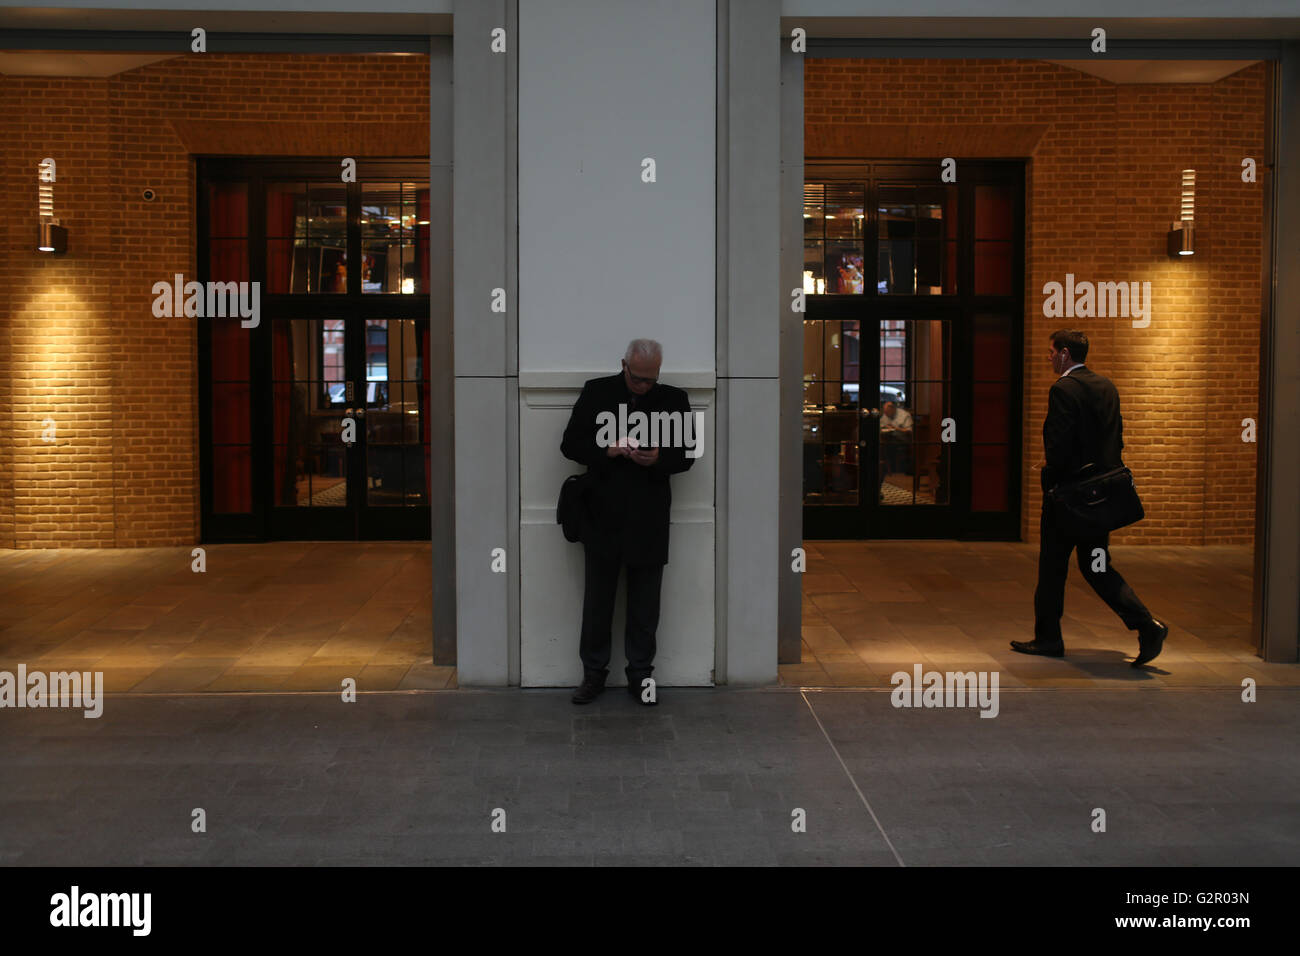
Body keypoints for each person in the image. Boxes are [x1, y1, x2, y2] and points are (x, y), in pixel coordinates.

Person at [1012, 329, 1168, 666]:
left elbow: (1059, 445)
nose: (1050, 358)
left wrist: (1051, 473)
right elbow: (1115, 437)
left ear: (1066, 353)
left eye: (1052, 352)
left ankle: (1048, 638)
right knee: (1096, 564)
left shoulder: (1063, 389)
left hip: (1067, 499)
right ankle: (1146, 624)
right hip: (1100, 497)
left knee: (1053, 568)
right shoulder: (1106, 386)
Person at [560, 339, 696, 705]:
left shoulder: (674, 399)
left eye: (651, 380)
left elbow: (687, 456)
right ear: (624, 366)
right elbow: (570, 445)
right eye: (638, 379)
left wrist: (657, 460)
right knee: (598, 604)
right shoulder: (597, 392)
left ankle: (641, 676)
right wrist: (609, 450)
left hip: (649, 516)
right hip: (602, 514)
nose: (645, 387)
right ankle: (593, 675)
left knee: (644, 607)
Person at [878, 400, 913, 494]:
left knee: (890, 440)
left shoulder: (904, 415)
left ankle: (891, 468)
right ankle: (885, 467)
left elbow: (909, 431)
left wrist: (896, 428)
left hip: (903, 439)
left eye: (887, 412)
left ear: (893, 409)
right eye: (885, 412)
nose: (886, 414)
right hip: (888, 439)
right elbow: (881, 426)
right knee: (881, 441)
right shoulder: (886, 415)